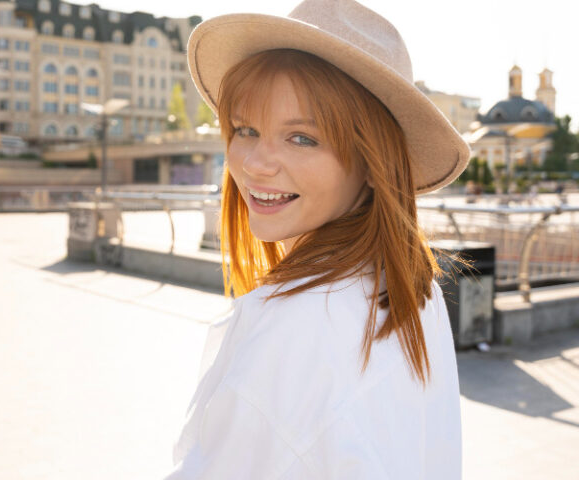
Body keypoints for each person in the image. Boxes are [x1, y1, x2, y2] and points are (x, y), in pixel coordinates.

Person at [165, 0, 468, 478]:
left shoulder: (293, 327)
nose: (253, 163)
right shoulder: (410, 290)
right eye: (245, 129)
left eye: (302, 138)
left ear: (374, 162)